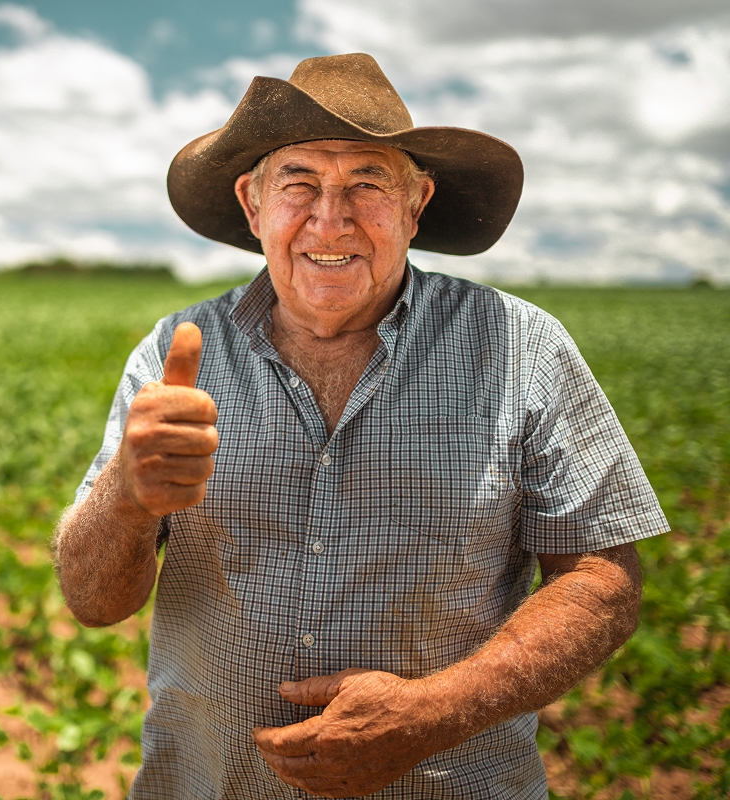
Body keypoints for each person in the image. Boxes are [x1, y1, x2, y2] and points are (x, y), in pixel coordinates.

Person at [53, 53, 668, 799]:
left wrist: (434, 713)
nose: (330, 218)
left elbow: (601, 579)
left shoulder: (520, 346)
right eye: (300, 183)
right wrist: (127, 492)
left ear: (417, 204)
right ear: (253, 205)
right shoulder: (174, 352)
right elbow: (94, 603)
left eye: (367, 184)